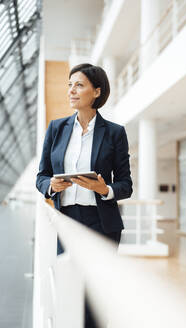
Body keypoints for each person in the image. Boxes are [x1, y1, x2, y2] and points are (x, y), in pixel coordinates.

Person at [36, 63, 133, 327]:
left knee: (97, 293)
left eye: (79, 85)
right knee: (68, 285)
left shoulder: (114, 133)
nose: (71, 90)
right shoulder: (56, 128)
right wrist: (51, 186)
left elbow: (126, 184)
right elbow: (41, 176)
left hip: (102, 223)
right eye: (69, 84)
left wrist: (104, 189)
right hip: (67, 219)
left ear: (97, 91)